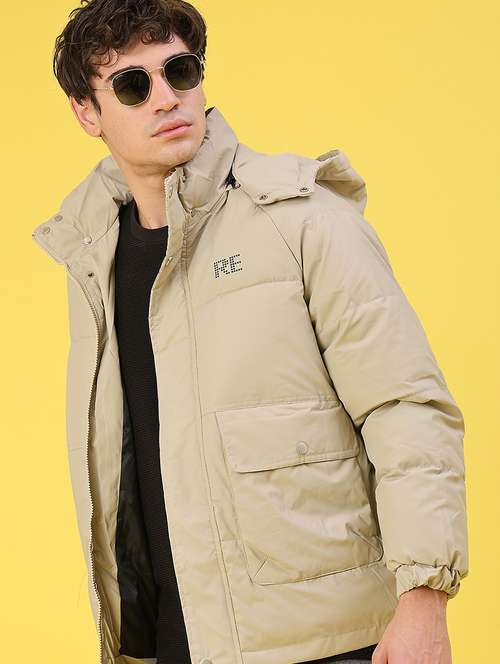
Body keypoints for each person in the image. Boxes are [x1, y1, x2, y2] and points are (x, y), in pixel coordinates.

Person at [31, 1, 469, 663]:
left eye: (181, 71)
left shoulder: (303, 220)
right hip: (174, 642)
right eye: (133, 85)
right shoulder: (93, 257)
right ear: (86, 112)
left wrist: (424, 599)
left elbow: (405, 407)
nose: (166, 98)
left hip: (330, 642)